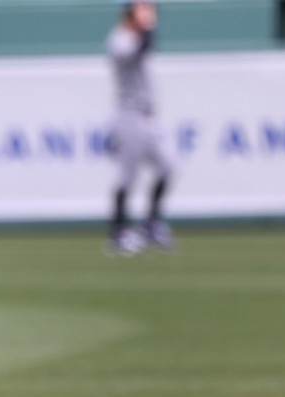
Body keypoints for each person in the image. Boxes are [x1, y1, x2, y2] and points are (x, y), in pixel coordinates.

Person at [105, 0, 176, 255]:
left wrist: (146, 23)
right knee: (127, 177)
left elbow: (147, 43)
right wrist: (145, 24)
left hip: (147, 116)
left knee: (168, 168)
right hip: (128, 115)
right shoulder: (119, 38)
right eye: (143, 8)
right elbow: (137, 50)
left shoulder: (137, 35)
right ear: (130, 12)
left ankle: (151, 224)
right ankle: (117, 232)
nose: (149, 12)